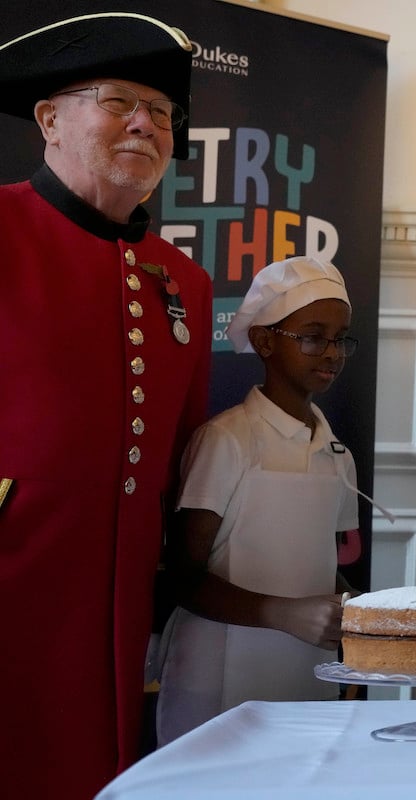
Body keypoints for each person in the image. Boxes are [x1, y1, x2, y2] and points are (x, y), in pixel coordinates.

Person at [0, 13, 212, 798]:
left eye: (161, 112)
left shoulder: (179, 280)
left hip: (115, 601)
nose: (144, 123)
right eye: (118, 100)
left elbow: (179, 450)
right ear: (50, 119)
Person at [156, 256, 383, 745]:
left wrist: (356, 611)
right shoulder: (227, 439)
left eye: (341, 338)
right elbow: (182, 576)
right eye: (312, 335)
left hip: (306, 672)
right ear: (263, 340)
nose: (332, 353)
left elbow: (322, 559)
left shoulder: (335, 450)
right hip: (218, 675)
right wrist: (280, 613)